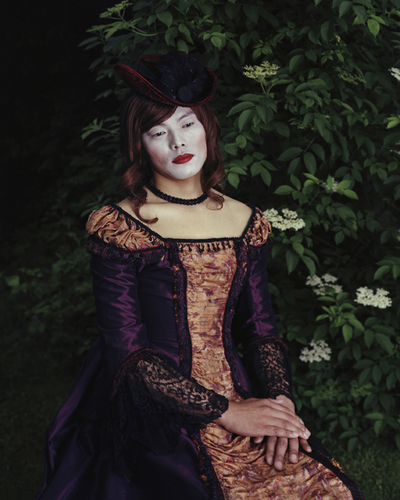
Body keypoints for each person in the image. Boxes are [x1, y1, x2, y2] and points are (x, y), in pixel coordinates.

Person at [36, 51, 364, 500]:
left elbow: (260, 329)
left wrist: (279, 404)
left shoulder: (245, 220)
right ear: (139, 144)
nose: (178, 142)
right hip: (151, 396)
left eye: (187, 124)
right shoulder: (122, 225)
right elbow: (126, 351)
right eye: (159, 132)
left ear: (207, 127)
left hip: (237, 388)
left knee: (319, 488)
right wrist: (227, 412)